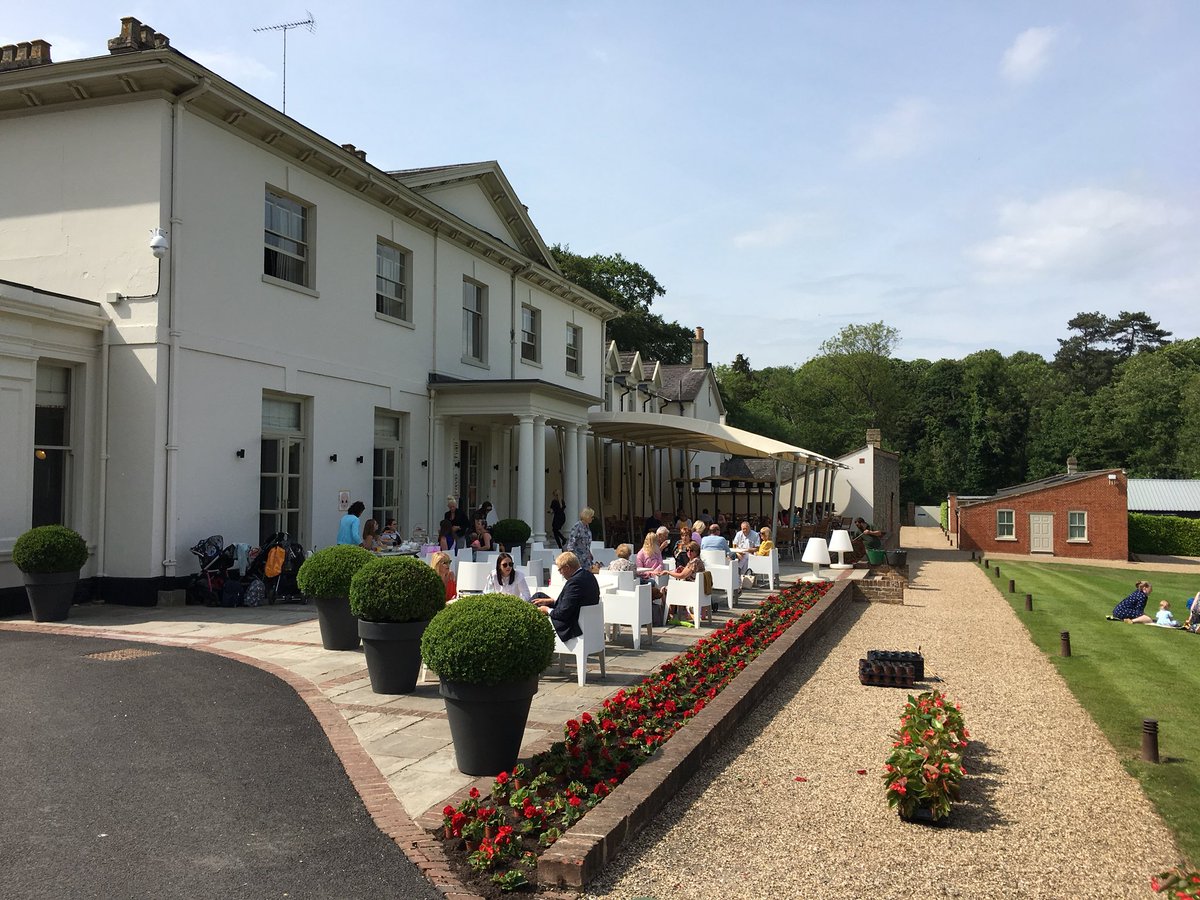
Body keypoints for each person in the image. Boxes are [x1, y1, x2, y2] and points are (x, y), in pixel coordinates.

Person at [534, 551, 600, 641]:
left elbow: (563, 613)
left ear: (567, 568)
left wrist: (547, 610)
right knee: (539, 596)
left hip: (571, 624)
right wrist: (552, 601)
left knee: (535, 605)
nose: (560, 573)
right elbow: (573, 601)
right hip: (582, 615)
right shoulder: (588, 575)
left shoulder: (574, 582)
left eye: (560, 569)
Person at [663, 541, 707, 622]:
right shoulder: (698, 561)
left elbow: (681, 576)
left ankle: (670, 615)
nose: (689, 552)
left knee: (665, 589)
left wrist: (667, 572)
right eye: (687, 550)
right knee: (672, 587)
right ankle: (672, 614)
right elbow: (690, 573)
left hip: (690, 589)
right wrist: (684, 569)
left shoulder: (694, 562)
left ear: (696, 552)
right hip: (697, 589)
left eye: (691, 551)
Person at [566, 507, 597, 573]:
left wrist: (589, 553)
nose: (592, 519)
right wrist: (572, 556)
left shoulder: (587, 526)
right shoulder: (577, 526)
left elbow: (586, 543)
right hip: (578, 557)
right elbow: (571, 542)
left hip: (586, 557)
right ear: (587, 516)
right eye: (592, 517)